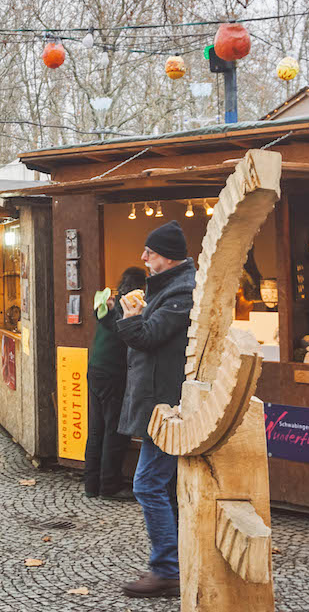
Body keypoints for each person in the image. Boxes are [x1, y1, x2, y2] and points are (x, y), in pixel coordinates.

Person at [108, 220, 195, 599]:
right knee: (163, 485)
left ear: (169, 258)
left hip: (166, 404)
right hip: (160, 400)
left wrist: (129, 318)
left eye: (151, 253)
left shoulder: (182, 292)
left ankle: (168, 570)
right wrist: (128, 311)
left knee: (147, 483)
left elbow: (147, 336)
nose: (143, 258)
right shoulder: (167, 288)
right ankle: (176, 562)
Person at [84, 266, 147, 499]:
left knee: (97, 429)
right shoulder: (128, 308)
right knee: (115, 431)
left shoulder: (108, 303)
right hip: (113, 374)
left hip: (95, 370)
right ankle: (110, 485)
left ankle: (92, 484)